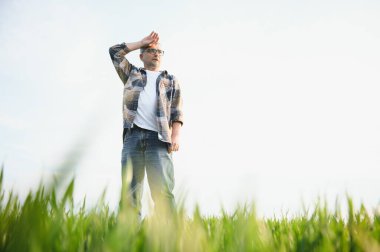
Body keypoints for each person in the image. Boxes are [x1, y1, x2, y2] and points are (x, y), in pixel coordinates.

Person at [109, 32, 183, 217]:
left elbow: (176, 110)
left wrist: (175, 135)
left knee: (163, 191)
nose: (156, 53)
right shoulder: (132, 74)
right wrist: (142, 42)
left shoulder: (170, 80)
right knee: (130, 192)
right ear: (141, 56)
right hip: (133, 137)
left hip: (159, 139)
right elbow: (115, 52)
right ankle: (128, 238)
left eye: (159, 51)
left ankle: (168, 238)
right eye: (151, 51)